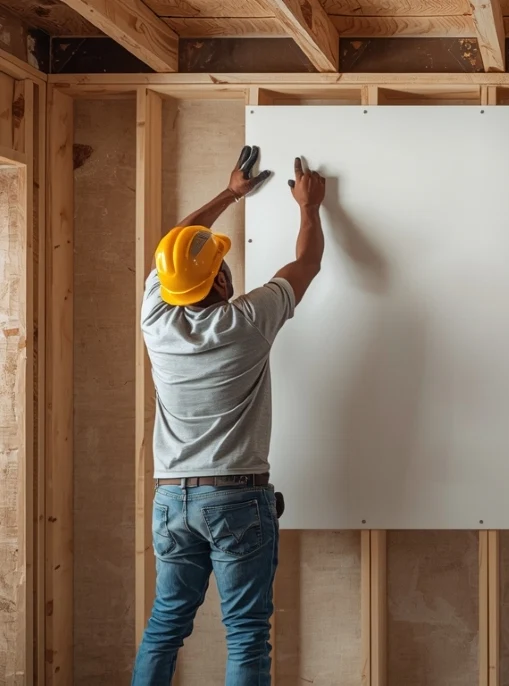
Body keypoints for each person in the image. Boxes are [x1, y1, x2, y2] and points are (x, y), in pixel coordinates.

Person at [131, 148, 327, 685]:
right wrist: (309, 208)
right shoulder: (245, 322)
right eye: (222, 266)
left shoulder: (156, 317)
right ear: (218, 283)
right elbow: (306, 264)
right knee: (245, 633)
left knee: (165, 625)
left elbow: (175, 250)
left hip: (173, 496)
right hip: (236, 498)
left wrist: (231, 194)